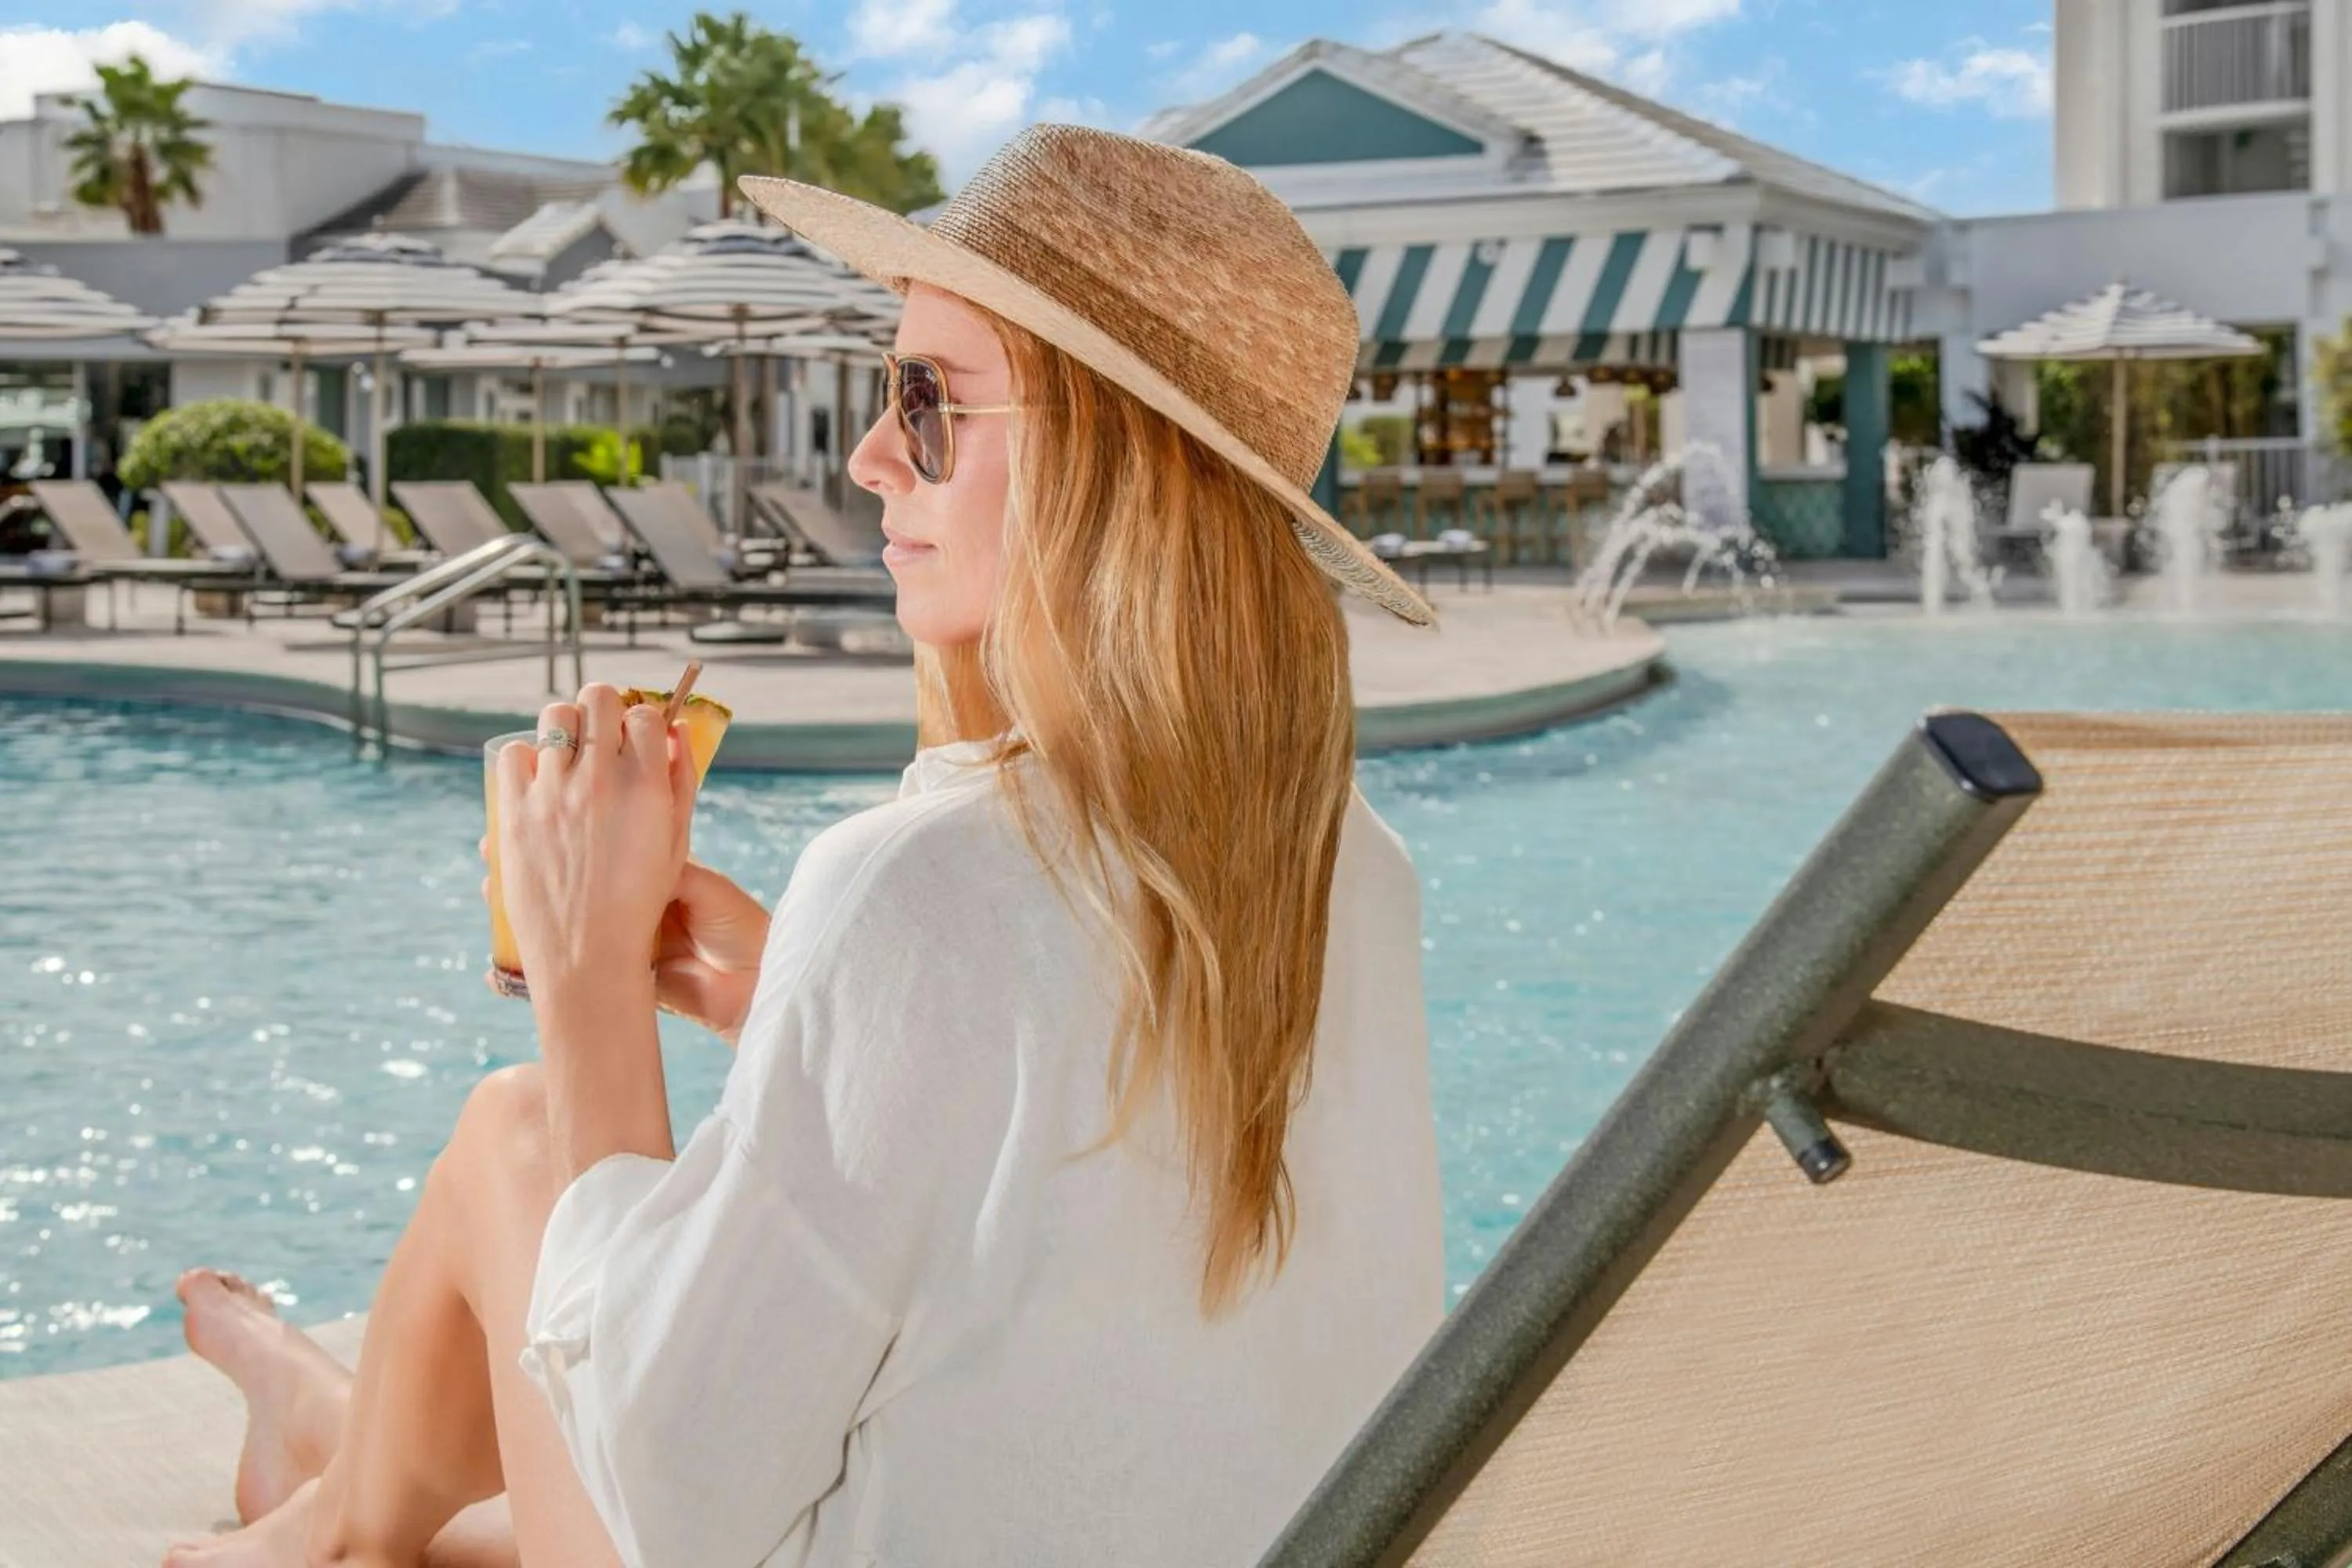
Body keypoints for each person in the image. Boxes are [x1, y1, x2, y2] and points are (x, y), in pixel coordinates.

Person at [165, 123, 1446, 1568]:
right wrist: (800, 998)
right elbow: (1097, 1232)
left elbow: (674, 1497)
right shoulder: (1354, 865)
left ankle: (320, 1521)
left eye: (930, 400)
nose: (871, 455)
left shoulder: (920, 882)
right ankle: (326, 1453)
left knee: (518, 1133)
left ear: (1108, 459)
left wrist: (589, 983)